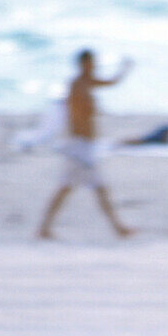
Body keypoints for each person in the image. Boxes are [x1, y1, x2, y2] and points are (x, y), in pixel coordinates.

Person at [37, 49, 135, 240]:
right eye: (92, 63)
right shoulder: (77, 85)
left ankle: (44, 228)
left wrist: (125, 69)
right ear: (84, 64)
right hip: (79, 147)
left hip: (84, 147)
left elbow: (112, 82)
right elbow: (78, 114)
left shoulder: (87, 82)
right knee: (94, 189)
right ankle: (118, 229)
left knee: (69, 188)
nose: (94, 66)